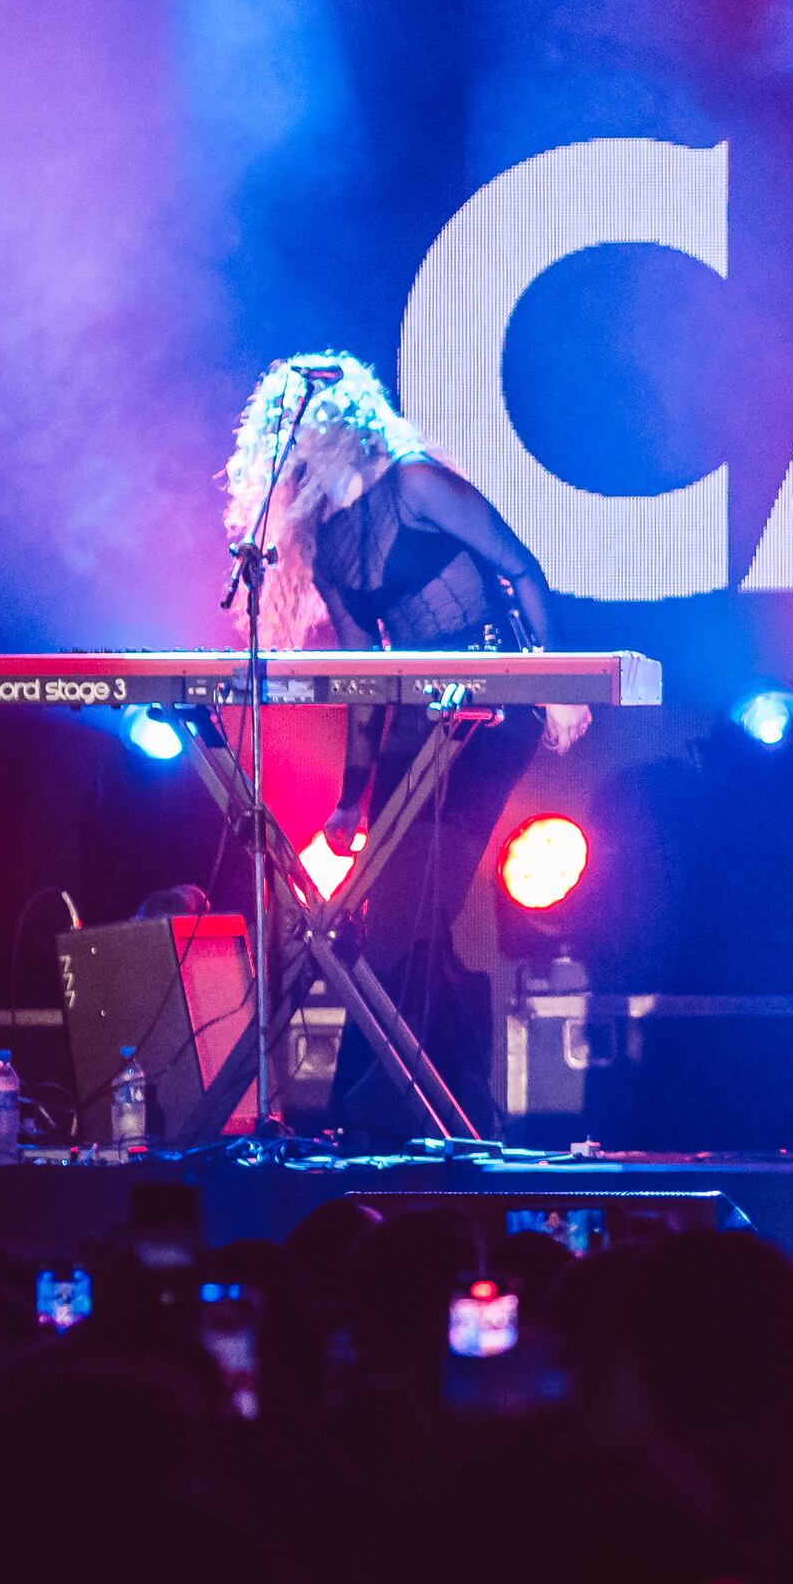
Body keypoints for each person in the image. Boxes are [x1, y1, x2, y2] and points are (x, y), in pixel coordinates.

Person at [222, 355, 576, 1114]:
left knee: (411, 915)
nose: (301, 444)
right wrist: (352, 798)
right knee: (402, 923)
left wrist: (556, 684)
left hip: (491, 707)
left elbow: (521, 567)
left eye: (309, 426)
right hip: (416, 722)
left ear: (343, 421)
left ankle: (365, 1114)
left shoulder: (415, 481)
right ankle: (459, 1106)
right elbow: (363, 677)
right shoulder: (327, 537)